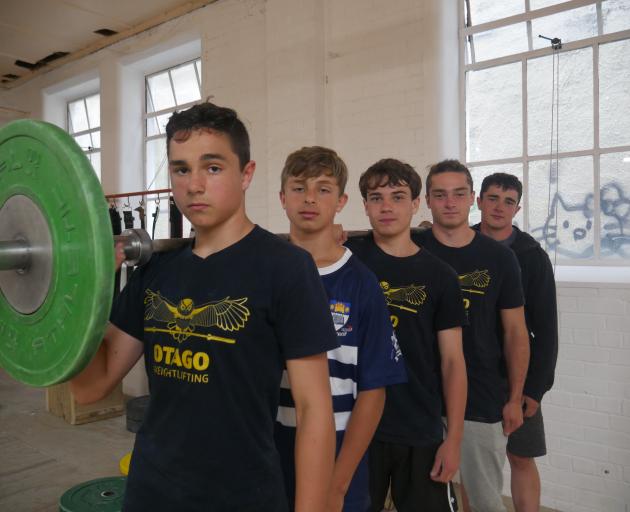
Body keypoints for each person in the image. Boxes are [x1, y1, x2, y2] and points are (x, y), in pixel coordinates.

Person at [70, 103, 338, 512]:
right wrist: (83, 289)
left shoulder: (285, 268)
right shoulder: (155, 269)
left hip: (244, 496)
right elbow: (90, 387)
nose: (194, 185)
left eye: (212, 168)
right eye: (180, 169)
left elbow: (314, 409)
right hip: (151, 494)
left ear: (245, 174)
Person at [275, 147, 407, 512]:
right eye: (299, 188)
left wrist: (338, 481)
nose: (310, 199)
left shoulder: (361, 284)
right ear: (283, 198)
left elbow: (373, 391)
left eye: (323, 189)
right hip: (270, 458)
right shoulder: (265, 275)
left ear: (342, 201)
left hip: (337, 460)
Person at [345, 158, 467, 512]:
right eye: (376, 197)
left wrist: (454, 438)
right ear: (364, 205)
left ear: (416, 204)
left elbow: (452, 361)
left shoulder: (439, 275)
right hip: (357, 428)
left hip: (419, 426)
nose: (386, 206)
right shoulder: (346, 260)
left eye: (397, 197)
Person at [413, 159, 530, 512]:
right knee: (427, 501)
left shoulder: (500, 258)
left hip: (481, 399)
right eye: (440, 194)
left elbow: (515, 333)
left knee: (485, 503)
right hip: (418, 400)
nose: (449, 202)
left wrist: (515, 397)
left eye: (458, 194)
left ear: (471, 199)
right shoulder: (409, 247)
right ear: (427, 201)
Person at [474, 172, 558, 512]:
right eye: (492, 198)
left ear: (517, 208)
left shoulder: (531, 256)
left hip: (517, 377)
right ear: (478, 201)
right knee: (474, 464)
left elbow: (547, 328)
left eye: (508, 201)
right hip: (471, 374)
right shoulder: (455, 244)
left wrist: (535, 389)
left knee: (521, 456)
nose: (499, 207)